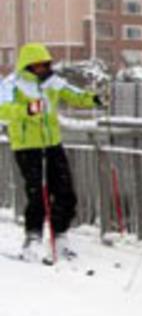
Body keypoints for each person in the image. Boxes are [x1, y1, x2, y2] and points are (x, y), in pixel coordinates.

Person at [0, 43, 104, 262]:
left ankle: (60, 235)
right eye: (38, 65)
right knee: (37, 193)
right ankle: (33, 238)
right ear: (27, 66)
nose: (42, 69)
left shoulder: (53, 82)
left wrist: (93, 99)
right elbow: (3, 110)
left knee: (65, 191)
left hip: (52, 144)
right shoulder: (12, 85)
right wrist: (27, 110)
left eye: (45, 65)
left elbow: (74, 94)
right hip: (28, 146)